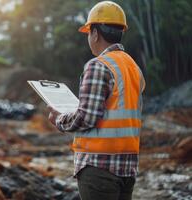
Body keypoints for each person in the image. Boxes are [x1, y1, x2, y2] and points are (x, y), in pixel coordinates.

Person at [47, 1, 145, 200]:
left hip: (99, 167)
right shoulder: (133, 67)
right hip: (127, 166)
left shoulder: (97, 66)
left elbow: (87, 117)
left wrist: (59, 119)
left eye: (88, 32)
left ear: (95, 33)